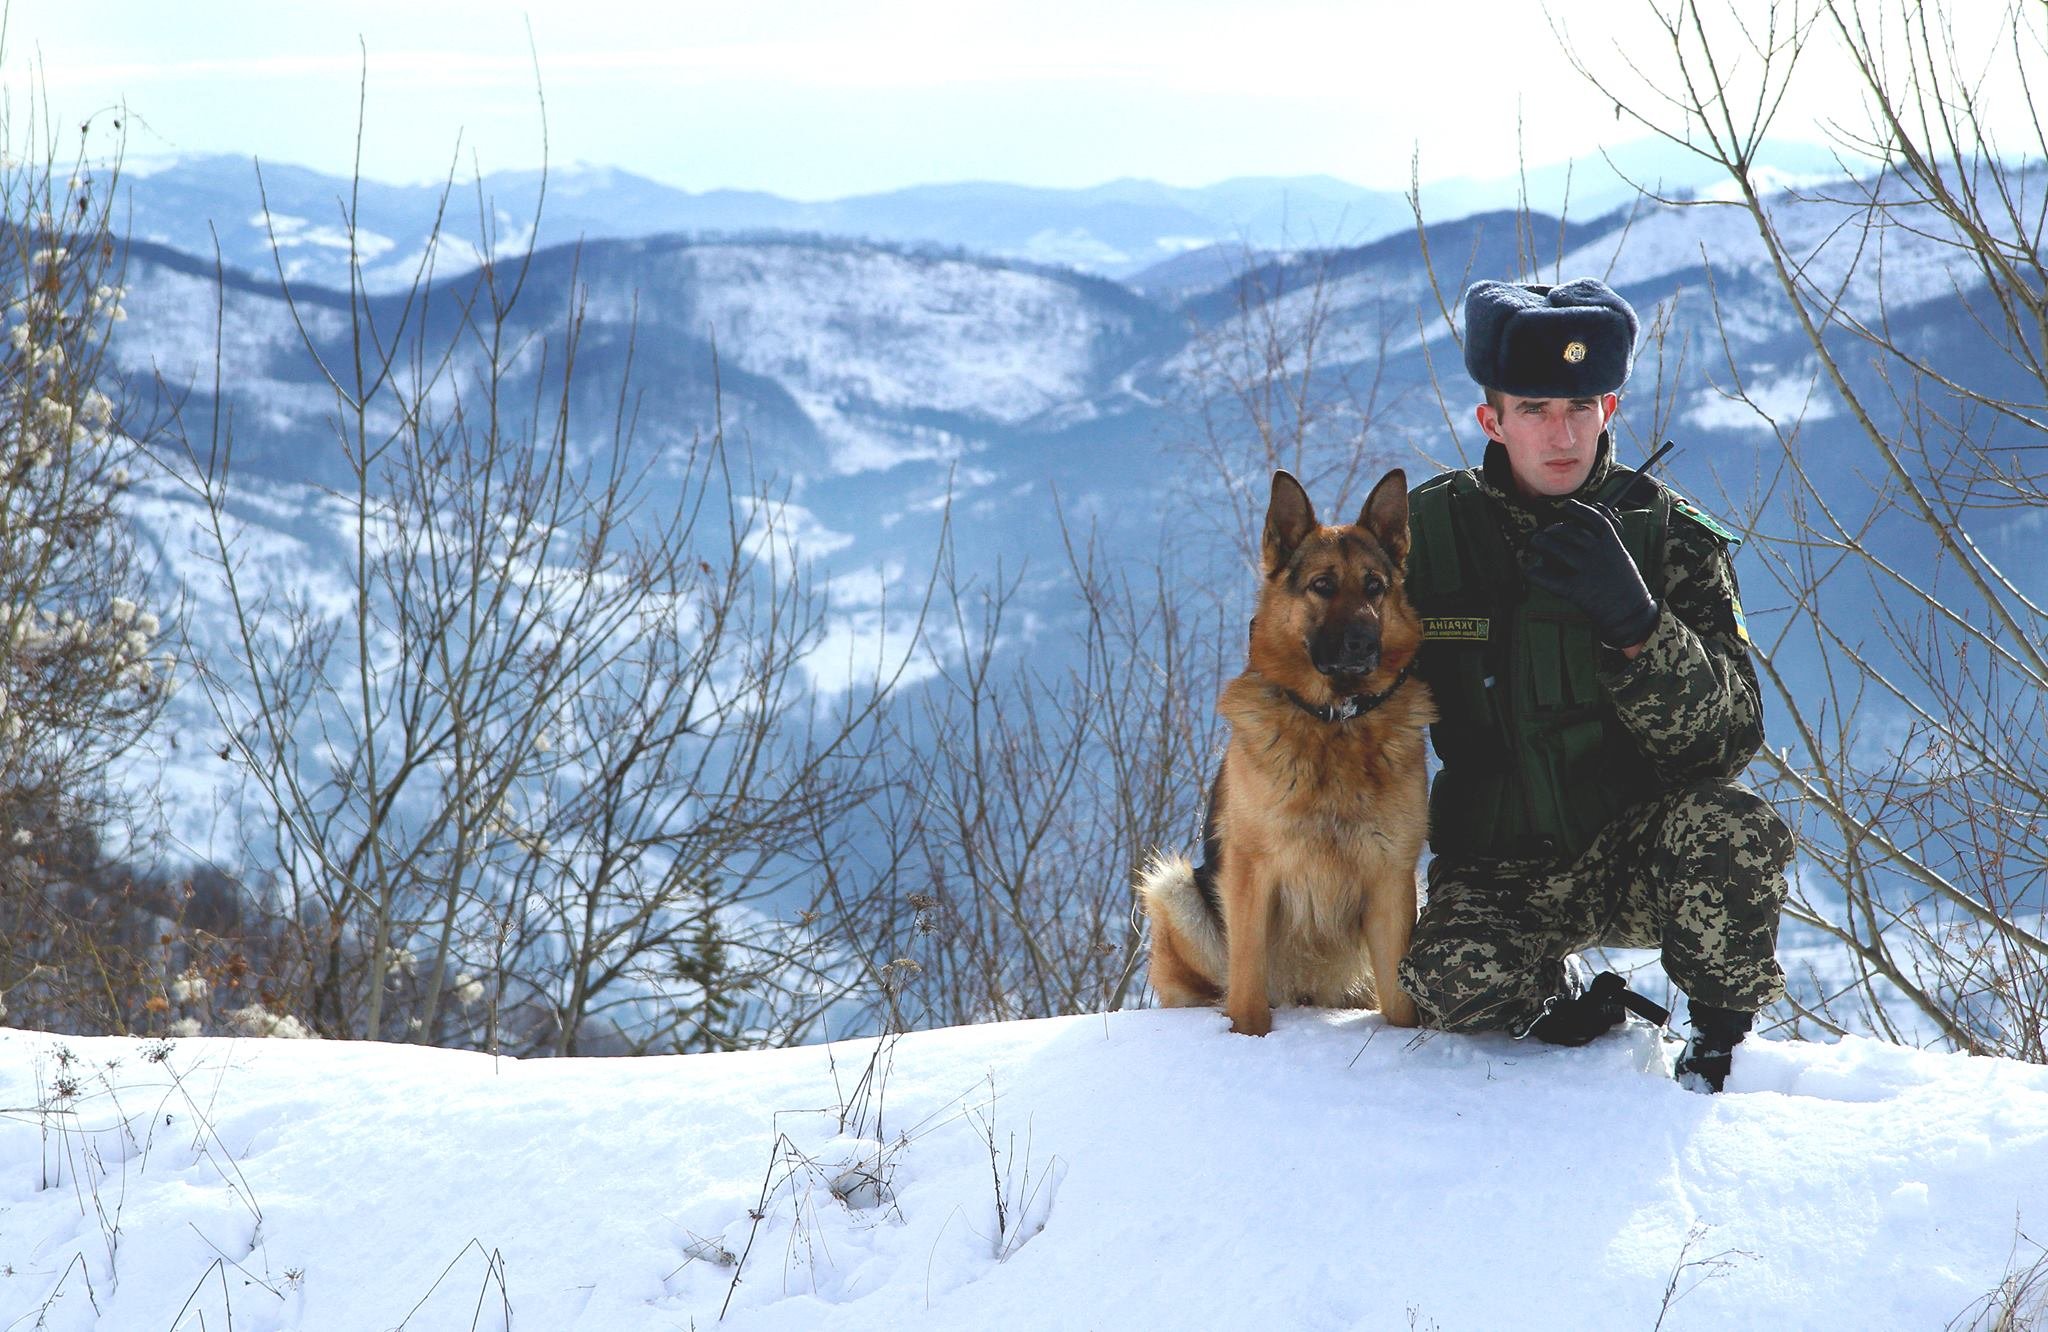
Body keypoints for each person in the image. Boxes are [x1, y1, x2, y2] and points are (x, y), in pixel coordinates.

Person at [1394, 277, 1794, 1093]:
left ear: (1608, 409)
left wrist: (1642, 628)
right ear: (1492, 421)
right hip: (1499, 861)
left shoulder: (1669, 536)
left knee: (1733, 827)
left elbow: (1732, 739)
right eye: (1534, 410)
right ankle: (1556, 1001)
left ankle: (1717, 1044)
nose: (1561, 433)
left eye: (1580, 407)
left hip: (1632, 848)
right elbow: (1351, 682)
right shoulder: (1426, 538)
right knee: (1447, 982)